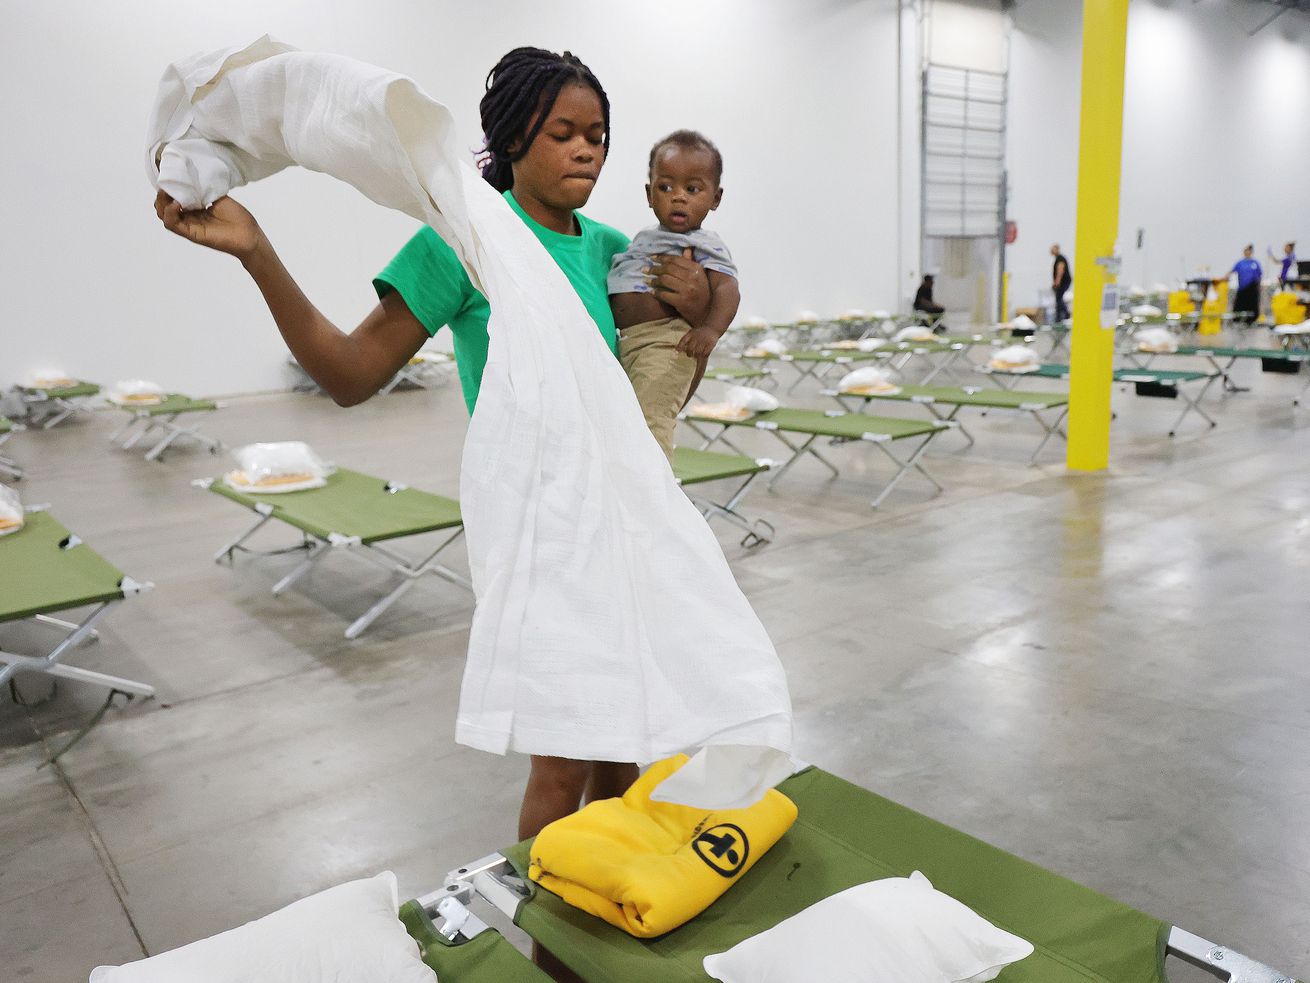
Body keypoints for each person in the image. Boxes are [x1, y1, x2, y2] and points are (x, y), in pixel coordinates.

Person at [154, 47, 715, 836]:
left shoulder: (615, 252)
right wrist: (258, 254)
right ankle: (545, 913)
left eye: (597, 135)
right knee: (562, 758)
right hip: (538, 528)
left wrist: (702, 318)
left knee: (623, 741)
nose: (587, 150)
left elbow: (657, 392)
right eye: (563, 133)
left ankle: (609, 893)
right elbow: (349, 373)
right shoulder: (462, 245)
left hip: (617, 522)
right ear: (514, 137)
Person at [608, 130, 740, 461]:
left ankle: (655, 485)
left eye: (692, 189)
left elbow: (727, 288)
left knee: (651, 422)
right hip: (631, 344)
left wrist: (710, 329)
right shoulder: (643, 237)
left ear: (715, 198)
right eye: (666, 187)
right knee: (630, 421)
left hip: (668, 342)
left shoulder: (705, 244)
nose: (678, 197)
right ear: (649, 194)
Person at [1230, 244, 1262, 324]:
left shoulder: (1255, 263)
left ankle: (1252, 320)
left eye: (1248, 251)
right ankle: (1237, 319)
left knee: (1252, 304)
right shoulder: (1240, 263)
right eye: (1245, 251)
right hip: (1242, 287)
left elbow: (1259, 275)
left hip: (1252, 287)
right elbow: (1232, 271)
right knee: (1240, 303)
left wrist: (1259, 286)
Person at [1050, 244, 1071, 323]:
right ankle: (1059, 317)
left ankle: (1065, 314)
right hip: (1062, 282)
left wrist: (1057, 282)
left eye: (1053, 249)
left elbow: (1060, 270)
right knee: (1058, 298)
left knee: (1059, 298)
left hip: (1064, 282)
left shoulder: (1060, 258)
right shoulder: (1058, 258)